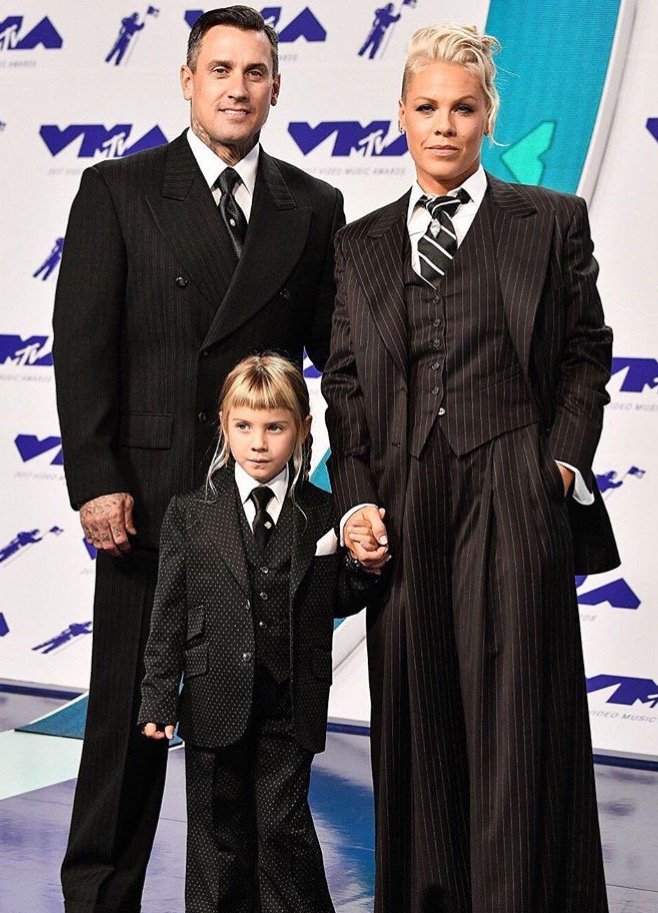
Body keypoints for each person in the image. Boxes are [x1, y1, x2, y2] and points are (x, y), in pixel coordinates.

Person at [321, 23, 620, 913]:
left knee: (519, 723)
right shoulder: (361, 243)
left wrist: (557, 466)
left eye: (462, 108)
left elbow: (585, 354)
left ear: (489, 116)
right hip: (404, 499)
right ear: (401, 116)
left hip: (513, 488)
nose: (444, 125)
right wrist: (357, 501)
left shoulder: (550, 223)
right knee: (416, 719)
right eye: (427, 108)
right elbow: (345, 386)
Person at [52, 7, 345, 912]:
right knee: (125, 725)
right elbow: (82, 347)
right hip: (146, 501)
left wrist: (356, 490)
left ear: (276, 88)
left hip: (261, 516)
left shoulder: (313, 205)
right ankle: (99, 898)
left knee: (250, 737)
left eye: (254, 73)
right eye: (219, 70)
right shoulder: (119, 189)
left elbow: (341, 362)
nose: (236, 88)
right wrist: (96, 478)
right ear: (187, 80)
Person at [139, 354, 378, 913]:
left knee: (282, 831)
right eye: (244, 426)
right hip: (212, 698)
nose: (259, 443)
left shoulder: (325, 512)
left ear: (303, 429)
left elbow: (338, 598)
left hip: (290, 702)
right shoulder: (191, 513)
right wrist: (158, 696)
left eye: (275, 427)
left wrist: (363, 568)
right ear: (224, 425)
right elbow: (168, 614)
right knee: (215, 836)